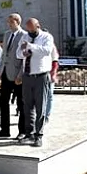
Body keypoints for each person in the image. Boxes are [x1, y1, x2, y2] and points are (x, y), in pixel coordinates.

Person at [16, 18, 56, 147]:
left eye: (32, 28)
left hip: (41, 76)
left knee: (41, 106)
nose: (30, 31)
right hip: (27, 75)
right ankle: (29, 133)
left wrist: (31, 47)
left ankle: (39, 135)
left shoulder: (46, 37)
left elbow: (46, 51)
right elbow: (18, 54)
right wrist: (24, 51)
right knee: (27, 107)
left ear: (38, 26)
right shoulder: (24, 37)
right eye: (28, 29)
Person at [0, 13, 27, 138]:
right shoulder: (7, 34)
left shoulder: (24, 35)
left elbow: (25, 57)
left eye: (10, 21)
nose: (8, 24)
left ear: (17, 21)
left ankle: (22, 131)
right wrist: (0, 71)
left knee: (21, 103)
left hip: (18, 75)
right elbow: (5, 54)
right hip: (6, 73)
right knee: (3, 101)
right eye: (8, 21)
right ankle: (4, 129)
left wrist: (21, 74)